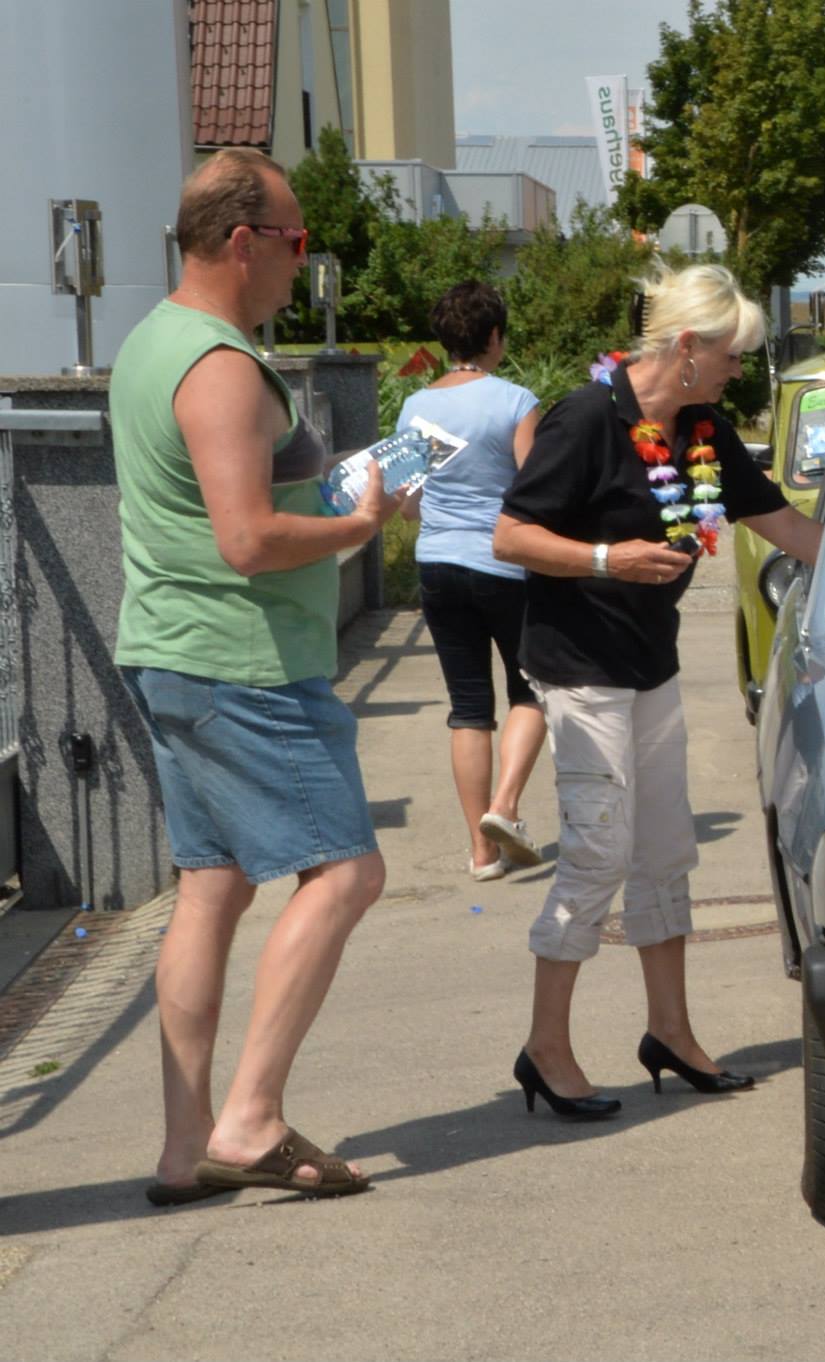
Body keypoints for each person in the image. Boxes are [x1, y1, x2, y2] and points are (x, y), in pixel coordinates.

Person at [491, 261, 825, 1119]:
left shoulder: (702, 429)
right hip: (580, 669)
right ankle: (545, 1048)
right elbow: (510, 534)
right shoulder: (586, 416)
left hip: (648, 666)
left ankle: (673, 1032)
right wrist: (608, 559)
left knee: (664, 851)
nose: (739, 371)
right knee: (599, 852)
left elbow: (783, 522)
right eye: (732, 355)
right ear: (686, 346)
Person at [112, 149, 407, 1201]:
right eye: (292, 239)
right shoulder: (224, 364)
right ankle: (249, 1117)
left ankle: (184, 1145)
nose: (301, 260)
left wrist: (338, 493)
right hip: (245, 663)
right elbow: (244, 538)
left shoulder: (152, 343)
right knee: (345, 872)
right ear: (241, 242)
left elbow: (215, 509)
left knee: (212, 886)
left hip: (172, 651)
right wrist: (362, 524)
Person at [398, 281, 547, 882]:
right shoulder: (515, 401)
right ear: (493, 336)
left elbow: (406, 503)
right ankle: (505, 808)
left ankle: (481, 854)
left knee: (467, 707)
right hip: (506, 563)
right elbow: (535, 491)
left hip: (437, 563)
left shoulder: (415, 406)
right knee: (532, 689)